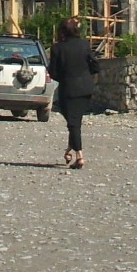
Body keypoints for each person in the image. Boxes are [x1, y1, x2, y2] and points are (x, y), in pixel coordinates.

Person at [47, 17, 99, 170]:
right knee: (75, 122)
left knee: (73, 123)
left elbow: (53, 72)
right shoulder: (84, 45)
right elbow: (95, 66)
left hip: (68, 89)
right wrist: (85, 75)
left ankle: (80, 156)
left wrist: (65, 77)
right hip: (86, 88)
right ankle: (69, 150)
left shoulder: (57, 48)